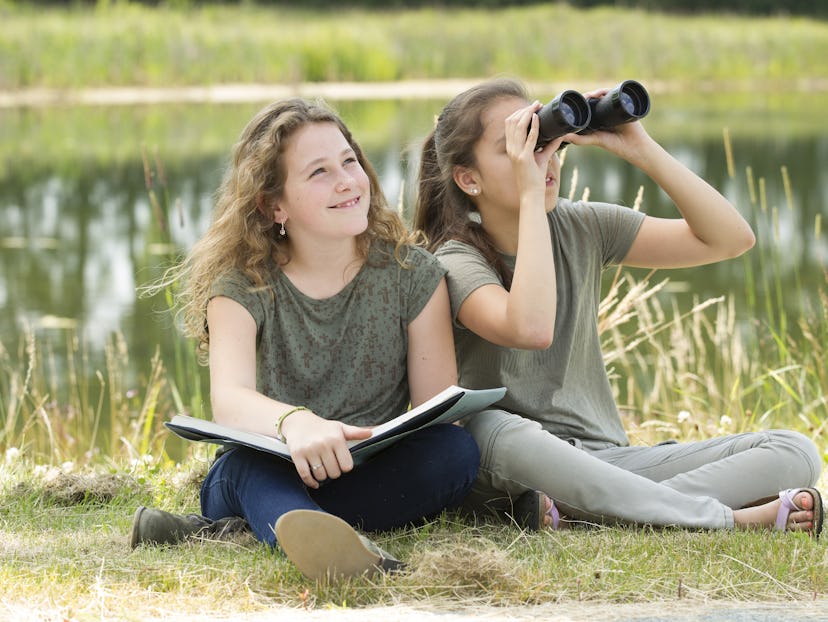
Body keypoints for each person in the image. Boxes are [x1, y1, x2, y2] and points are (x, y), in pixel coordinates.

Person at [413, 77, 824, 537]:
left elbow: (730, 239)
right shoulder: (454, 260)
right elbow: (531, 328)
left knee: (795, 450)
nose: (541, 159)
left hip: (607, 457)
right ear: (469, 179)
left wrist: (639, 148)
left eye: (544, 139)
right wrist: (532, 195)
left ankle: (586, 512)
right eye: (517, 146)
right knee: (493, 427)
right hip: (512, 462)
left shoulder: (582, 226)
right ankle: (725, 520)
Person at [130, 97, 482, 580]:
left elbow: (434, 410)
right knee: (244, 472)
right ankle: (317, 539)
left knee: (453, 453)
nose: (346, 181)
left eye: (349, 161)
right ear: (273, 204)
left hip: (368, 472)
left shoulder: (414, 274)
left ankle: (266, 530)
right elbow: (229, 401)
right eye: (318, 172)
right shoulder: (239, 284)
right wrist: (297, 424)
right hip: (267, 467)